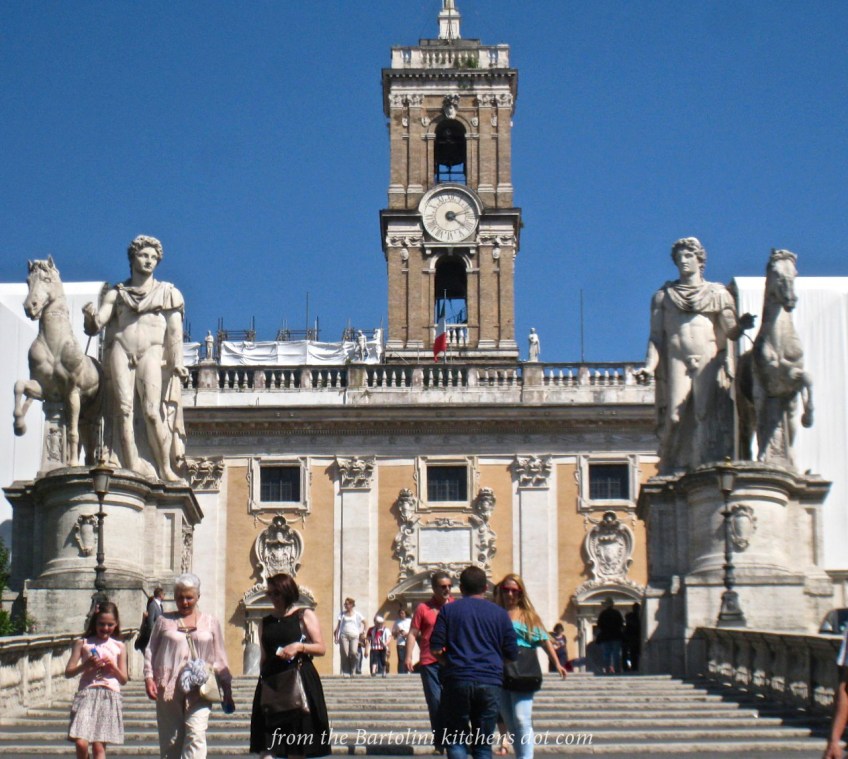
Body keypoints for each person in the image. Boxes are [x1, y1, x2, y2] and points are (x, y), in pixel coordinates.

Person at [636, 237, 753, 473]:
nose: (683, 261)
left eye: (688, 256)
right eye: (679, 257)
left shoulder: (717, 293)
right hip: (676, 360)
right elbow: (657, 338)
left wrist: (741, 326)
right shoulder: (664, 296)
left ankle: (704, 466)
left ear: (700, 260)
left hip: (707, 358)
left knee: (704, 414)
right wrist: (649, 367)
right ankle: (671, 465)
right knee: (674, 417)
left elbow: (729, 330)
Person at [83, 235, 188, 482]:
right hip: (121, 349)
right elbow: (98, 324)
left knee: (152, 411)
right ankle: (130, 464)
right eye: (143, 255)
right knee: (123, 408)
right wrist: (90, 318)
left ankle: (164, 468)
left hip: (151, 352)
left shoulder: (168, 293)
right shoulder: (117, 293)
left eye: (153, 257)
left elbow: (174, 332)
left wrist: (177, 362)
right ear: (133, 258)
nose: (149, 261)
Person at [431, 565, 518, 759]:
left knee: (455, 740)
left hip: (457, 679)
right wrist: (495, 664)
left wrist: (450, 663)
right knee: (483, 746)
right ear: (485, 587)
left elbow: (435, 649)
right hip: (490, 681)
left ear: (461, 588)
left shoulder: (448, 611)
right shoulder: (500, 614)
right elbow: (512, 653)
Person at [144, 573, 234, 758]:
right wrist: (148, 677)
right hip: (168, 685)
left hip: (200, 686)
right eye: (179, 597)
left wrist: (227, 689)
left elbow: (220, 656)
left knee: (196, 734)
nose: (184, 602)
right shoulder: (164, 621)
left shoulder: (210, 622)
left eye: (189, 598)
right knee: (171, 740)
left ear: (198, 597)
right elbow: (151, 650)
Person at [250, 573, 331, 759]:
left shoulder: (304, 615)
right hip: (272, 684)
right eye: (270, 594)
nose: (273, 599)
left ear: (287, 592)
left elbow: (321, 647)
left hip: (298, 683)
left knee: (296, 749)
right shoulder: (265, 622)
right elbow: (263, 657)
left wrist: (299, 646)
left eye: (276, 594)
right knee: (267, 750)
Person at [494, 574, 566, 759]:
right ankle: (521, 755)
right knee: (509, 722)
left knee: (521, 718)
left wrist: (557, 663)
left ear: (520, 593)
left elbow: (543, 640)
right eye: (506, 590)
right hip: (499, 671)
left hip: (523, 669)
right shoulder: (495, 613)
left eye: (514, 591)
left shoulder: (528, 616)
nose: (510, 594)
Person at [65, 601, 128, 759]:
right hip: (87, 693)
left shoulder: (119, 646)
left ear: (116, 624)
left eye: (110, 624)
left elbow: (124, 679)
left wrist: (113, 668)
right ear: (95, 622)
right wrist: (86, 665)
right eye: (102, 624)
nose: (105, 628)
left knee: (99, 748)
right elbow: (68, 672)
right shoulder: (83, 643)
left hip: (109, 695)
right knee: (81, 743)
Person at [405, 570, 455, 752]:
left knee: (453, 701)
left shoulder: (455, 607)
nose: (447, 589)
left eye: (449, 586)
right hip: (429, 661)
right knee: (435, 701)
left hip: (451, 661)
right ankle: (440, 742)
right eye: (443, 587)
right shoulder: (423, 609)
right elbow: (412, 633)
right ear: (434, 588)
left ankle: (455, 738)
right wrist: (409, 656)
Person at [333, 597, 365, 677]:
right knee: (344, 653)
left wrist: (364, 632)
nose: (345, 605)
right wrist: (336, 636)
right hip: (344, 635)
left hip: (354, 636)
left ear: (351, 605)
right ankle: (346, 671)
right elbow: (338, 626)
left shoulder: (357, 614)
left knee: (354, 652)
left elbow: (365, 622)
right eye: (345, 604)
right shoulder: (342, 614)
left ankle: (353, 669)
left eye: (347, 604)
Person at [595, 598, 624, 674]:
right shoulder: (616, 613)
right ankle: (617, 669)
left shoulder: (603, 614)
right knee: (616, 654)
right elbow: (621, 624)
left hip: (606, 637)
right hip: (616, 636)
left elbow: (599, 625)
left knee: (606, 654)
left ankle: (607, 669)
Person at [135, 587, 165, 653]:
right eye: (164, 594)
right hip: (152, 636)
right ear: (160, 595)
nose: (164, 596)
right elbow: (150, 622)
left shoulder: (160, 606)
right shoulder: (153, 605)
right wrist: (153, 635)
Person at [622, 603, 641, 672]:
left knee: (632, 654)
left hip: (632, 638)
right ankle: (631, 667)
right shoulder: (635, 617)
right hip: (632, 638)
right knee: (632, 653)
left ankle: (631, 667)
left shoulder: (633, 616)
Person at [393, 608, 411, 674]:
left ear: (406, 613)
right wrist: (398, 632)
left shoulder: (410, 621)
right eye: (400, 613)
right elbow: (393, 632)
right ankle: (401, 672)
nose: (401, 615)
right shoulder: (397, 622)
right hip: (400, 642)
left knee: (408, 657)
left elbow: (413, 631)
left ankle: (408, 671)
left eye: (402, 613)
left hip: (408, 642)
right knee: (401, 658)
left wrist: (406, 633)